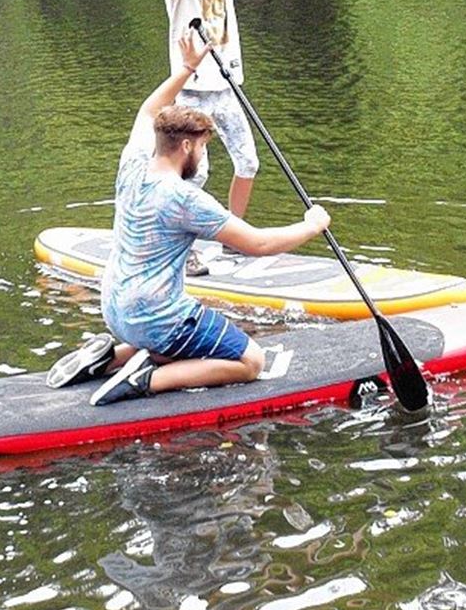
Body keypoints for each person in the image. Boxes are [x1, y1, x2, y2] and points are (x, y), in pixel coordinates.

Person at [46, 31, 330, 406]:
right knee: (250, 361)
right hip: (153, 318)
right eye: (201, 146)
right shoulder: (186, 199)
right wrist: (313, 225)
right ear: (185, 146)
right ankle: (149, 379)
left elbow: (148, 109)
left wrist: (186, 69)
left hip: (114, 309)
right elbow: (258, 244)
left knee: (181, 340)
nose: (201, 153)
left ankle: (110, 357)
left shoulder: (131, 164)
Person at [162, 0, 274, 273]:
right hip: (190, 92)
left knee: (249, 162)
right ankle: (184, 249)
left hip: (228, 88)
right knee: (196, 174)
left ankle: (234, 237)